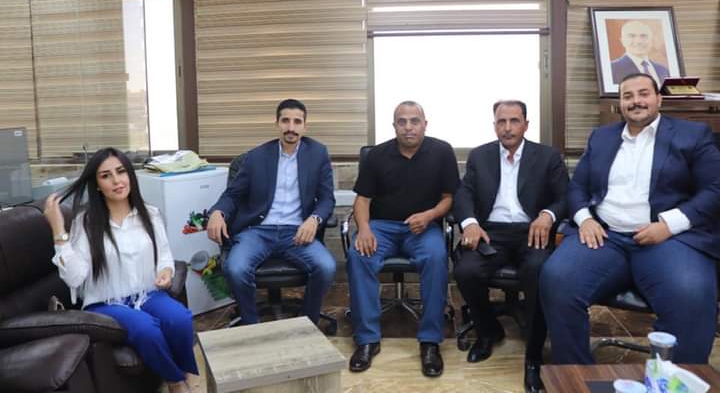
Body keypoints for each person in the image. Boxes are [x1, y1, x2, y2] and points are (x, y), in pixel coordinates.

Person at [540, 73, 720, 364]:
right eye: (628, 96)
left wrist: (669, 225)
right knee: (556, 279)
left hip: (667, 239)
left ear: (659, 99)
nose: (636, 101)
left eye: (643, 93)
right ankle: (575, 374)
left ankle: (676, 378)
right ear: (620, 104)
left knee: (692, 296)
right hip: (605, 237)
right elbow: (577, 188)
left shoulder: (692, 135)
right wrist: (585, 219)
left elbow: (715, 188)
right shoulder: (601, 137)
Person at [44, 147, 197, 393]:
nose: (117, 181)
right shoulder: (86, 222)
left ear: (130, 175)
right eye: (106, 176)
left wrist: (166, 271)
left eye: (121, 171)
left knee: (180, 320)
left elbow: (164, 255)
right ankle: (175, 383)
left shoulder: (150, 213)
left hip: (147, 294)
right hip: (105, 302)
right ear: (97, 185)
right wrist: (58, 232)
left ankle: (184, 372)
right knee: (146, 330)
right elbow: (74, 277)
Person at [453, 100, 568, 393]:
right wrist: (470, 223)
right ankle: (488, 332)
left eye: (514, 121)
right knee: (466, 270)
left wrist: (547, 215)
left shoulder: (547, 156)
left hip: (532, 231)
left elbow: (565, 197)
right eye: (501, 122)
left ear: (526, 124)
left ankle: (533, 356)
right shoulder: (480, 156)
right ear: (494, 126)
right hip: (491, 232)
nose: (507, 128)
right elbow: (463, 194)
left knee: (538, 271)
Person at [346, 100, 460, 377]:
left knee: (436, 257)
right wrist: (364, 228)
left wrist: (430, 215)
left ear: (425, 124)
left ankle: (430, 341)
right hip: (382, 228)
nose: (408, 127)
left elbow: (449, 198)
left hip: (422, 228)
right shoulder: (377, 155)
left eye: (414, 121)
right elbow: (362, 200)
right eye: (402, 121)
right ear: (394, 125)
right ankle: (367, 340)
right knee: (358, 255)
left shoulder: (442, 151)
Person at [206, 98, 336, 326]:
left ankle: (307, 323)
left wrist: (314, 219)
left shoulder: (318, 153)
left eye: (297, 122)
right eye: (285, 121)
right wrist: (217, 213)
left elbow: (327, 198)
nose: (291, 127)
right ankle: (253, 327)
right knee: (235, 269)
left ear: (305, 126)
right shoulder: (256, 157)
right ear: (277, 123)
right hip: (257, 231)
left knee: (326, 267)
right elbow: (233, 195)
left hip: (296, 232)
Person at [611, 20, 670, 85]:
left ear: (651, 40)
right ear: (622, 41)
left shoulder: (663, 70)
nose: (639, 41)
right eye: (632, 36)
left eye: (643, 36)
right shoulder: (612, 69)